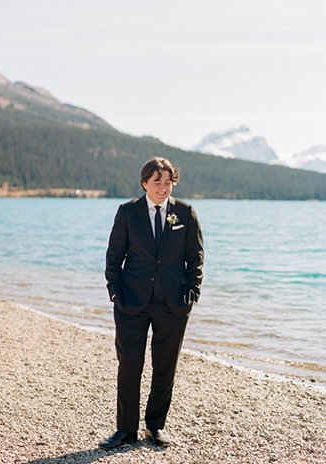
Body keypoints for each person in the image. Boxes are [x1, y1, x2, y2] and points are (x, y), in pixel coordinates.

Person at [100, 157, 204, 449]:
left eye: (168, 181)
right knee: (130, 365)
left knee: (165, 367)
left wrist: (191, 294)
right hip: (131, 302)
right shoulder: (128, 212)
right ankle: (125, 430)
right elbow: (113, 257)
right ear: (145, 183)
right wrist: (115, 292)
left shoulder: (185, 212)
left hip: (173, 303)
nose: (163, 187)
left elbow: (195, 259)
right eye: (157, 181)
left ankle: (156, 426)